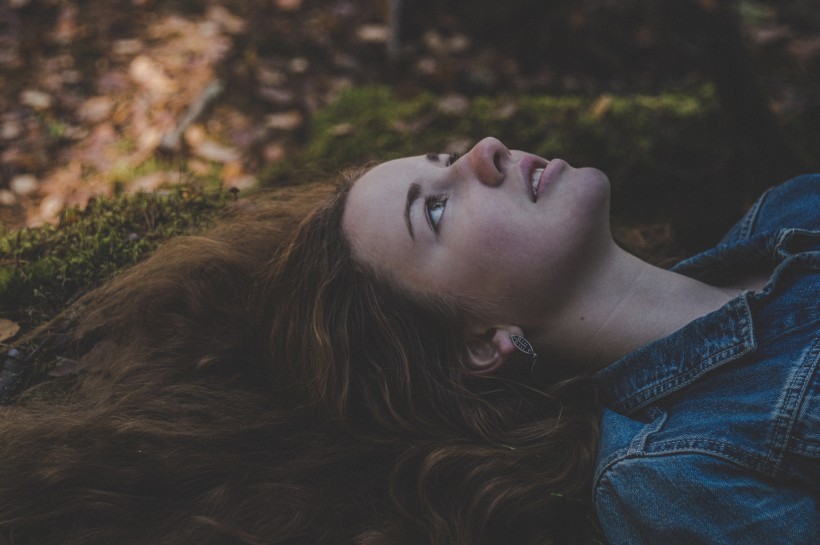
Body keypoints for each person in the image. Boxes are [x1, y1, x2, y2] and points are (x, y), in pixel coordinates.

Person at [0, 136, 816, 545]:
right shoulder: (668, 475)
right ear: (480, 343)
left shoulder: (792, 209)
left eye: (444, 157)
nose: (483, 154)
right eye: (435, 207)